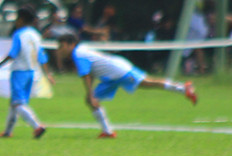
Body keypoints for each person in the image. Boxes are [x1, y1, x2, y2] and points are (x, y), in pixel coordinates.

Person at [57, 31, 198, 138]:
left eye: (62, 46)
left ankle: (183, 88)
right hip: (110, 75)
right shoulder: (81, 50)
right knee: (91, 100)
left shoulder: (78, 54)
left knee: (148, 82)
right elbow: (90, 72)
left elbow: (86, 76)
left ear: (71, 44)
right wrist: (91, 94)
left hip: (119, 70)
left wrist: (90, 93)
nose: (60, 50)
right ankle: (107, 132)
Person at [0, 6, 53, 139]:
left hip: (19, 71)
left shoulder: (19, 34)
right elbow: (41, 56)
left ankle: (37, 126)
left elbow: (12, 54)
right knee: (15, 103)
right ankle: (7, 131)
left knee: (18, 103)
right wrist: (48, 74)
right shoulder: (36, 35)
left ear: (21, 19)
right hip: (31, 72)